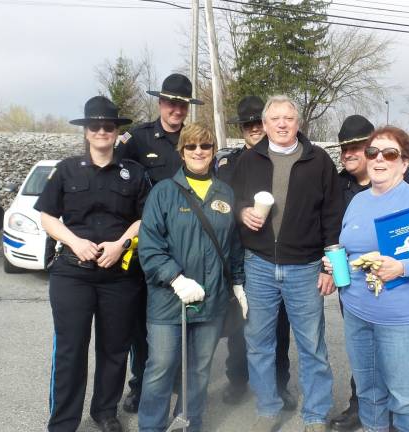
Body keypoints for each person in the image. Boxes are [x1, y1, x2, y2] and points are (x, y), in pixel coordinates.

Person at [323, 126, 409, 432]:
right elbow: (353, 250)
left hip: (405, 320)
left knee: (406, 401)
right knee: (369, 395)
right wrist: (337, 263)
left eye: (390, 153)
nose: (379, 159)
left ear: (404, 162)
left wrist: (404, 267)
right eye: (373, 152)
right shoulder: (357, 202)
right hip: (358, 315)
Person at [35, 96, 150, 432]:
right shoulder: (66, 169)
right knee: (71, 350)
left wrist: (122, 244)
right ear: (86, 131)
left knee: (115, 348)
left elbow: (146, 218)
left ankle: (105, 411)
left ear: (116, 132)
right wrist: (74, 241)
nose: (102, 131)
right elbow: (46, 217)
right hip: (73, 273)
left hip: (119, 275)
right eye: (95, 126)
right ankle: (64, 421)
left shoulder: (135, 173)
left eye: (108, 126)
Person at [231, 95, 343, 432]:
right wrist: (241, 211)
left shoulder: (318, 161)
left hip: (306, 266)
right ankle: (267, 409)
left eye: (289, 118)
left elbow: (333, 217)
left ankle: (315, 414)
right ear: (264, 125)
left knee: (312, 346)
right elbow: (229, 198)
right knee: (260, 344)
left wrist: (332, 268)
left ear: (298, 123)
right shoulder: (249, 160)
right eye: (275, 118)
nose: (282, 124)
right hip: (260, 264)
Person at [137, 123, 245, 432]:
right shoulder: (164, 192)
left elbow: (233, 245)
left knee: (198, 370)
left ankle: (188, 423)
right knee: (160, 368)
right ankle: (151, 426)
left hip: (212, 300)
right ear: (181, 151)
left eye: (205, 146)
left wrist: (238, 284)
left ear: (213, 151)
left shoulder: (224, 192)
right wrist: (176, 279)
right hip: (168, 302)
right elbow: (150, 246)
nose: (199, 152)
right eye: (191, 147)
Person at [117, 72, 204, 413]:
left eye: (182, 104)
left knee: (183, 315)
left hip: (185, 242)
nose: (176, 109)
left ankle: (179, 383)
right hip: (146, 243)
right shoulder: (137, 139)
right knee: (142, 321)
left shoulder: (194, 140)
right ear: (160, 103)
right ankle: (140, 384)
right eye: (170, 102)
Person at [215, 95, 295, 409]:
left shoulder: (284, 157)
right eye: (247, 125)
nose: (253, 129)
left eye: (256, 123)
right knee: (240, 322)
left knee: (279, 325)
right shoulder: (230, 164)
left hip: (278, 254)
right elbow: (221, 202)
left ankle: (280, 383)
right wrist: (240, 211)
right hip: (242, 251)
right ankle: (238, 379)